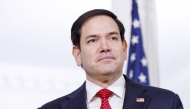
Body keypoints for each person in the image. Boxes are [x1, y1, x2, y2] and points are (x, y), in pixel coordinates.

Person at [38, 9, 183, 109]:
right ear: (77, 55)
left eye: (112, 38)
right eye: (93, 40)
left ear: (124, 48)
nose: (105, 47)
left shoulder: (166, 103)